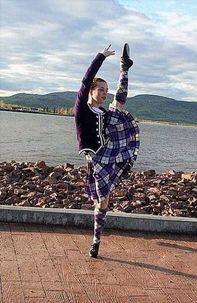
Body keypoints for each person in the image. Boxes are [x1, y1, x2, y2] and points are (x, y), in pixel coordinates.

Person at [73, 43, 140, 258]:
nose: (104, 93)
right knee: (101, 201)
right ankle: (96, 239)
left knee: (119, 104)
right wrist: (100, 56)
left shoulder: (103, 113)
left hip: (110, 153)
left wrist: (123, 70)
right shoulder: (81, 109)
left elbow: (118, 99)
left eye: (105, 90)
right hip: (96, 158)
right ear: (91, 91)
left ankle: (125, 67)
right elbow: (85, 80)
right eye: (100, 89)